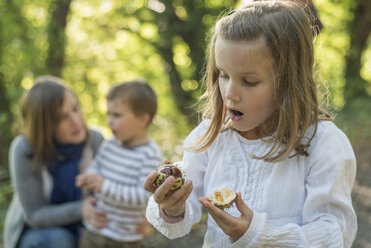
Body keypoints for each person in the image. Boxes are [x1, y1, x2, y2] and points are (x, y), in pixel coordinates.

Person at [143, 1, 357, 247]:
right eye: (223, 75)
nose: (230, 93)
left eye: (249, 81)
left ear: (289, 82)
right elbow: (181, 219)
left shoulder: (323, 144)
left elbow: (334, 234)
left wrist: (257, 235)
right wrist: (172, 207)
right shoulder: (212, 135)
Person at [3, 76, 107, 248]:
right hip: (36, 233)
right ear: (44, 125)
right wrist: (80, 209)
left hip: (87, 227)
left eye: (75, 109)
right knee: (60, 239)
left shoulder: (95, 140)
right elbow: (35, 215)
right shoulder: (24, 149)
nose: (76, 121)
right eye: (62, 118)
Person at [76, 80, 162, 248]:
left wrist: (103, 186)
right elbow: (96, 165)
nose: (109, 121)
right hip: (94, 231)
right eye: (109, 114)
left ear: (142, 119)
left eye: (116, 115)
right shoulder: (110, 145)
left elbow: (143, 196)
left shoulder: (150, 154)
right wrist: (89, 177)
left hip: (125, 239)